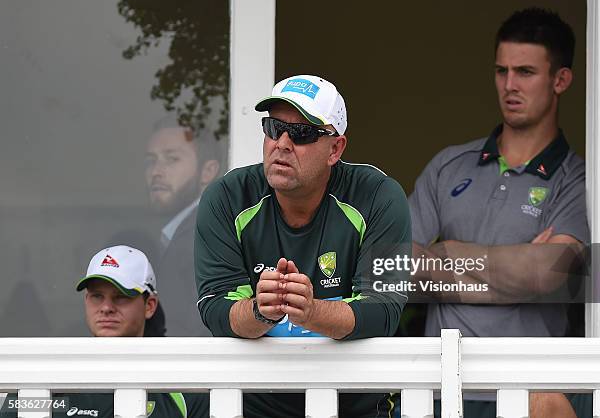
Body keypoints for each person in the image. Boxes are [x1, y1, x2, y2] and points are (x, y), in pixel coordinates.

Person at [194, 75, 411, 417]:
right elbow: (215, 307)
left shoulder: (378, 195)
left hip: (355, 406)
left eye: (301, 133)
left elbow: (384, 309)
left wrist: (311, 312)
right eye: (273, 128)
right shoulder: (227, 197)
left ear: (335, 149)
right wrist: (260, 311)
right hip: (251, 405)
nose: (281, 143)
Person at [407, 8, 589, 417]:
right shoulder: (449, 165)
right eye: (501, 71)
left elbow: (551, 272)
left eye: (525, 72)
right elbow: (396, 264)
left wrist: (445, 254)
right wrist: (517, 264)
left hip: (530, 396)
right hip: (441, 390)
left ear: (560, 80)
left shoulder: (578, 178)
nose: (510, 85)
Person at [0, 245, 209, 417]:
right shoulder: (48, 376)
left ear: (150, 305)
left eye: (121, 296)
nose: (106, 307)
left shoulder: (184, 384)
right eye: (97, 296)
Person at [145, 117, 222, 336]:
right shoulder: (186, 230)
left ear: (207, 171)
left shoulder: (204, 234)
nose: (156, 171)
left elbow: (200, 328)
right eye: (151, 161)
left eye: (172, 159)